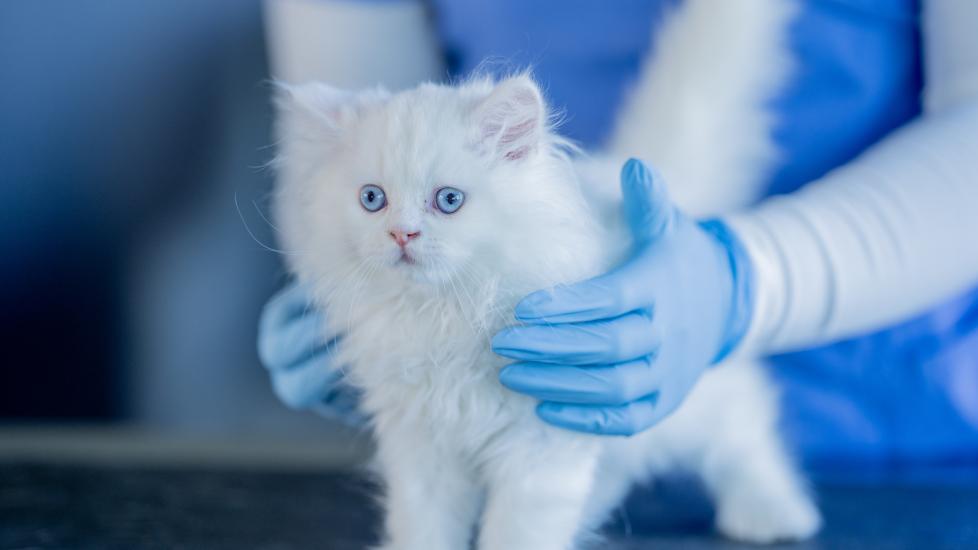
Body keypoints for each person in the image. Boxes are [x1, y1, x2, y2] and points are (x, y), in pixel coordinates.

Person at [259, 0, 978, 467]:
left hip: (887, 422)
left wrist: (745, 282)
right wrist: (350, 294)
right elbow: (343, 143)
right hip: (498, 398)